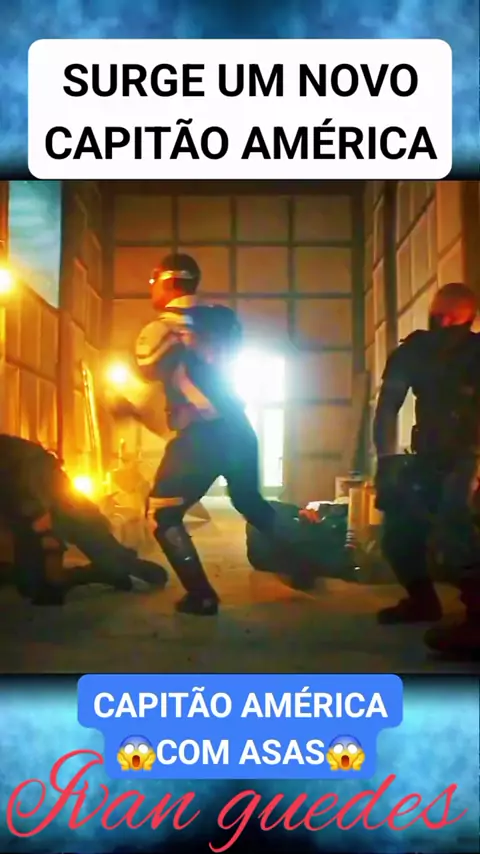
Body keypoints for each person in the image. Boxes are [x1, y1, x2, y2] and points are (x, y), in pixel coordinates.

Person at [118, 252, 310, 616]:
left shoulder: (161, 329)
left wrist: (127, 405)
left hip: (201, 436)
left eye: (154, 281)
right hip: (238, 427)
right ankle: (301, 565)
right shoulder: (225, 320)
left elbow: (148, 373)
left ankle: (201, 595)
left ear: (168, 281)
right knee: (249, 501)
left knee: (162, 516)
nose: (151, 289)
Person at [373, 281, 480, 656]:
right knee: (398, 534)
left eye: (450, 317)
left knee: (455, 536)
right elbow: (387, 408)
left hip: (469, 457)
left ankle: (477, 621)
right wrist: (387, 462)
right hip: (428, 457)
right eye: (440, 315)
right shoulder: (414, 351)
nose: (444, 323)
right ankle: (422, 601)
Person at [0, 434, 168, 604]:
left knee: (114, 564)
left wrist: (42, 518)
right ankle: (92, 574)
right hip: (29, 517)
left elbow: (40, 483)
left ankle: (113, 570)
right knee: (28, 588)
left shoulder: (19, 454)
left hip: (68, 509)